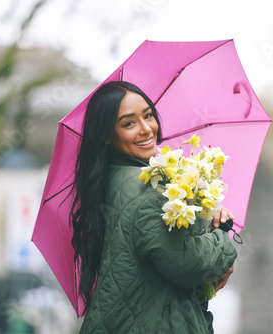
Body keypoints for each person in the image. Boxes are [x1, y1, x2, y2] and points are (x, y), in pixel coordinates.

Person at [70, 81, 237, 333]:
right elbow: (186, 264)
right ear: (106, 135)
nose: (146, 129)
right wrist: (223, 244)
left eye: (148, 116)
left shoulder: (111, 183)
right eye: (129, 123)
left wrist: (205, 214)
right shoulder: (146, 190)